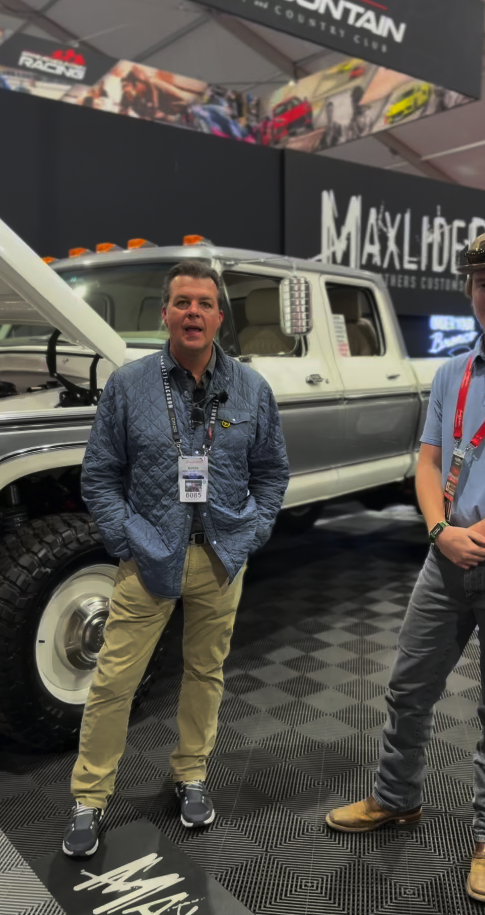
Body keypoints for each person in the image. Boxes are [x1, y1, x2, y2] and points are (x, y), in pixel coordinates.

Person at [326, 227, 485, 904]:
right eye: (482, 283)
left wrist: (476, 533)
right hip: (444, 559)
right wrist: (441, 529)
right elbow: (426, 460)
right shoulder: (451, 372)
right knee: (406, 689)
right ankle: (396, 797)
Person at [63, 260, 289, 857]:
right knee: (114, 682)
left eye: (204, 304)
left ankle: (191, 774)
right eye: (182, 302)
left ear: (219, 316)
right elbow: (100, 475)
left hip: (220, 558)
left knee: (206, 674)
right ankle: (88, 799)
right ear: (164, 313)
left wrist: (253, 532)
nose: (193, 312)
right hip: (149, 559)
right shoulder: (130, 385)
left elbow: (272, 473)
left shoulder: (250, 388)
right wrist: (126, 539)